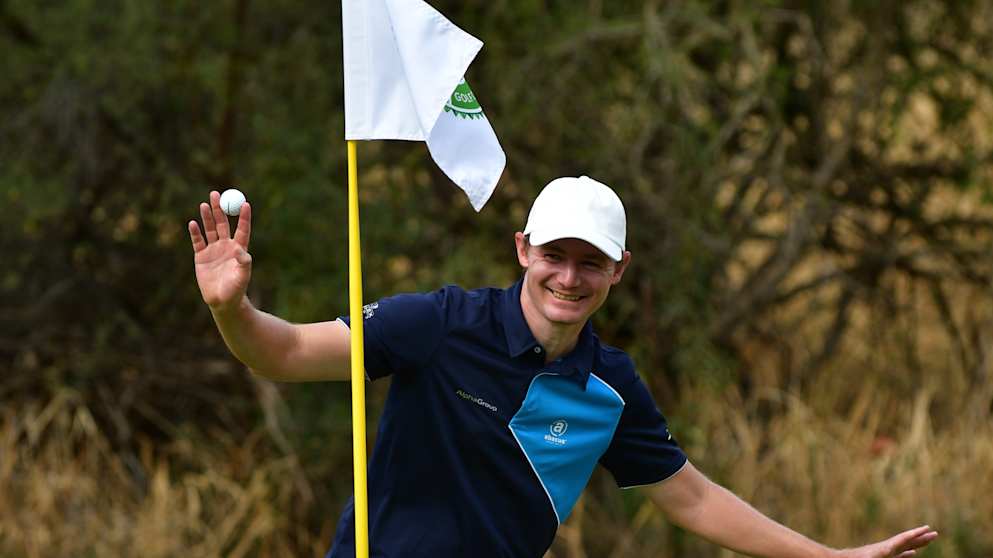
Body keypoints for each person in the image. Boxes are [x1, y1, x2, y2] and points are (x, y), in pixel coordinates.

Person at [189, 176, 938, 558]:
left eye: (591, 263)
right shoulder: (436, 324)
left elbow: (690, 498)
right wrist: (233, 310)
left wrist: (827, 555)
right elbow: (283, 354)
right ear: (522, 249)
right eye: (554, 256)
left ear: (619, 270)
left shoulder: (610, 389)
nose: (568, 278)